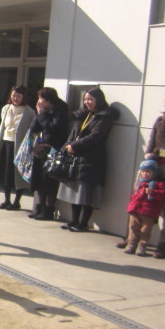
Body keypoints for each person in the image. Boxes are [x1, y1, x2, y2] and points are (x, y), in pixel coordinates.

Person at [57, 87, 118, 232]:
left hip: (92, 159)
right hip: (77, 157)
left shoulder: (104, 116)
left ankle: (83, 223)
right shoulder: (85, 114)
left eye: (90, 99)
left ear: (98, 100)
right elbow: (74, 133)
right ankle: (74, 220)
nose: (87, 102)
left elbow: (96, 136)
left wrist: (75, 146)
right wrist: (67, 146)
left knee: (88, 192)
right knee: (75, 191)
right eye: (85, 99)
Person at [144, 88, 165, 258]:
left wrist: (157, 153)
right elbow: (152, 143)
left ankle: (162, 244)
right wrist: (148, 155)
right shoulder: (160, 121)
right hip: (153, 167)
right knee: (142, 200)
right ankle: (136, 238)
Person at [28, 87, 70, 221]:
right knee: (39, 179)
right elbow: (34, 127)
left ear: (49, 100)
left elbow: (52, 127)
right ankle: (39, 206)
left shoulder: (60, 110)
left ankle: (48, 209)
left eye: (42, 99)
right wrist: (39, 114)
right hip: (41, 148)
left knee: (50, 180)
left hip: (54, 149)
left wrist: (42, 115)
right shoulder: (43, 111)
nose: (39, 101)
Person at [0, 85, 36, 210]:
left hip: (20, 146)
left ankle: (17, 201)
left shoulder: (29, 111)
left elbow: (32, 130)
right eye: (13, 95)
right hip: (5, 142)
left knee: (17, 173)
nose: (15, 98)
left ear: (24, 97)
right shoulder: (6, 108)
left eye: (18, 96)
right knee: (5, 173)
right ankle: (6, 200)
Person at [117, 159, 165, 256]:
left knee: (145, 231)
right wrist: (131, 207)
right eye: (143, 171)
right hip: (135, 210)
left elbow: (162, 196)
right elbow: (134, 195)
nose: (145, 174)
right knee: (133, 228)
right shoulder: (140, 182)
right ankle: (131, 245)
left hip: (149, 212)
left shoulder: (158, 184)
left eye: (148, 172)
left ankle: (142, 247)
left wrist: (153, 192)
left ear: (154, 172)